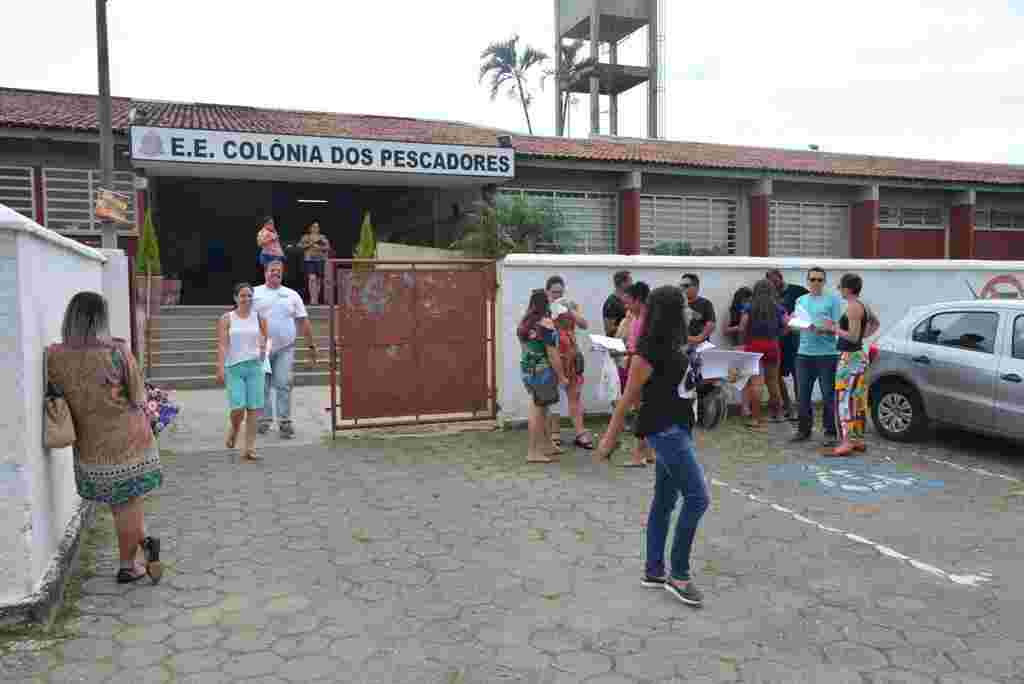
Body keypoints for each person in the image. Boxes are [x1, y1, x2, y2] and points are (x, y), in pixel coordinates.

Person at [596, 286, 709, 607]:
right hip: (666, 431)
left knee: (664, 500)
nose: (689, 313)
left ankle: (654, 570)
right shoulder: (648, 352)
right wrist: (608, 440)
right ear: (671, 313)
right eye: (683, 308)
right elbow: (627, 399)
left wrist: (719, 376)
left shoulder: (676, 345)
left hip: (680, 426)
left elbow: (683, 386)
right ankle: (679, 574)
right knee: (698, 498)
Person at [46, 292, 163, 585]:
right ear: (101, 319)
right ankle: (129, 566)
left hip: (90, 445)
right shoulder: (117, 351)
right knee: (128, 503)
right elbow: (137, 395)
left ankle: (145, 545)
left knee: (120, 504)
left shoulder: (54, 356)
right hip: (128, 440)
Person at [253, 261, 318, 438]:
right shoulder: (254, 293)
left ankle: (284, 422)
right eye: (272, 270)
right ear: (265, 272)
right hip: (261, 349)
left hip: (285, 349)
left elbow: (303, 321)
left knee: (283, 384)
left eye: (279, 271)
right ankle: (264, 421)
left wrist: (311, 346)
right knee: (262, 386)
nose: (276, 273)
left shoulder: (292, 295)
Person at [217, 283, 269, 462]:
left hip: (255, 366)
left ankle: (249, 448)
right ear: (235, 298)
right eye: (242, 295)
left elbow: (265, 339)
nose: (246, 299)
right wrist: (220, 366)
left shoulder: (259, 318)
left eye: (249, 295)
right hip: (234, 367)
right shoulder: (227, 318)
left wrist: (263, 349)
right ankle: (234, 429)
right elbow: (223, 344)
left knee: (254, 408)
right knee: (238, 407)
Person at [791, 267, 843, 447]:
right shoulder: (800, 300)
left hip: (827, 355)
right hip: (804, 354)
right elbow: (794, 323)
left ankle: (830, 431)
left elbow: (838, 326)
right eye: (812, 279)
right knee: (802, 394)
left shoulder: (833, 300)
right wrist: (795, 324)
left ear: (824, 282)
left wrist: (824, 329)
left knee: (828, 394)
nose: (816, 283)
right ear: (807, 281)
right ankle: (803, 430)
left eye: (819, 280)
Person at [518, 289, 569, 463]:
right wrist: (562, 376)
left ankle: (547, 445)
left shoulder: (525, 323)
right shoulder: (546, 323)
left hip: (527, 370)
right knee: (538, 410)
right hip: (543, 372)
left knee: (543, 407)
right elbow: (553, 353)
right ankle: (533, 451)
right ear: (545, 304)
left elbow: (526, 348)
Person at [822, 273, 870, 457]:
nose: (839, 290)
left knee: (844, 400)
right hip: (858, 356)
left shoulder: (852, 307)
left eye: (840, 286)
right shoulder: (862, 305)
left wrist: (833, 328)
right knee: (856, 399)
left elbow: (852, 336)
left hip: (850, 357)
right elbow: (874, 323)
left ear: (848, 288)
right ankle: (856, 439)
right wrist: (861, 337)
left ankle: (847, 441)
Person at [545, 275, 593, 450]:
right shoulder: (544, 308)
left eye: (560, 292)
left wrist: (569, 310)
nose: (557, 295)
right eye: (554, 292)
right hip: (554, 355)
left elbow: (584, 324)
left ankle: (580, 433)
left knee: (574, 396)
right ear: (547, 292)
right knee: (553, 397)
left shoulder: (570, 305)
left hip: (571, 356)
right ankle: (555, 433)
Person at [739, 280, 789, 430]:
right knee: (773, 381)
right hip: (772, 345)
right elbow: (787, 326)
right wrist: (778, 335)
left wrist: (746, 340)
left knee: (756, 383)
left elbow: (742, 327)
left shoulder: (749, 307)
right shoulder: (778, 307)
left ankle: (755, 418)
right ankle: (779, 414)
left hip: (753, 345)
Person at [766, 269, 808, 422]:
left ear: (781, 278)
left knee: (798, 374)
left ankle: (799, 408)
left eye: (775, 281)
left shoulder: (798, 291)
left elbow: (809, 307)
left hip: (796, 339)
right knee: (776, 375)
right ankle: (788, 406)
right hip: (777, 340)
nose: (774, 284)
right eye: (771, 283)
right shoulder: (770, 296)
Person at [622, 281, 654, 467]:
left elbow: (642, 350)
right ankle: (649, 452)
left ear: (638, 300)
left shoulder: (644, 321)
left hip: (641, 369)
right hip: (637, 365)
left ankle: (638, 454)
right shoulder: (637, 319)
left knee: (641, 412)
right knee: (642, 410)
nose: (627, 306)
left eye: (629, 302)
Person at [298, 221, 332, 305]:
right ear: (310, 228)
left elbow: (328, 247)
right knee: (312, 278)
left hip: (320, 260)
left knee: (318, 280)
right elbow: (299, 246)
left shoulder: (322, 237)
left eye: (317, 227)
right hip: (309, 260)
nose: (315, 228)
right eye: (313, 226)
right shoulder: (306, 237)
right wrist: (309, 244)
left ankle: (316, 298)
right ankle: (313, 299)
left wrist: (319, 247)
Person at [681, 273, 716, 346]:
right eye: (681, 285)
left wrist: (698, 338)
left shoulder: (705, 303)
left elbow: (711, 325)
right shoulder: (677, 303)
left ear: (696, 287)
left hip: (699, 346)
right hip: (681, 345)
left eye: (686, 286)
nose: (682, 288)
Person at [603, 270, 632, 336]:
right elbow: (609, 329)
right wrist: (626, 325)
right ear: (622, 284)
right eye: (630, 281)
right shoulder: (611, 303)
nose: (632, 284)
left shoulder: (629, 300)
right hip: (616, 343)